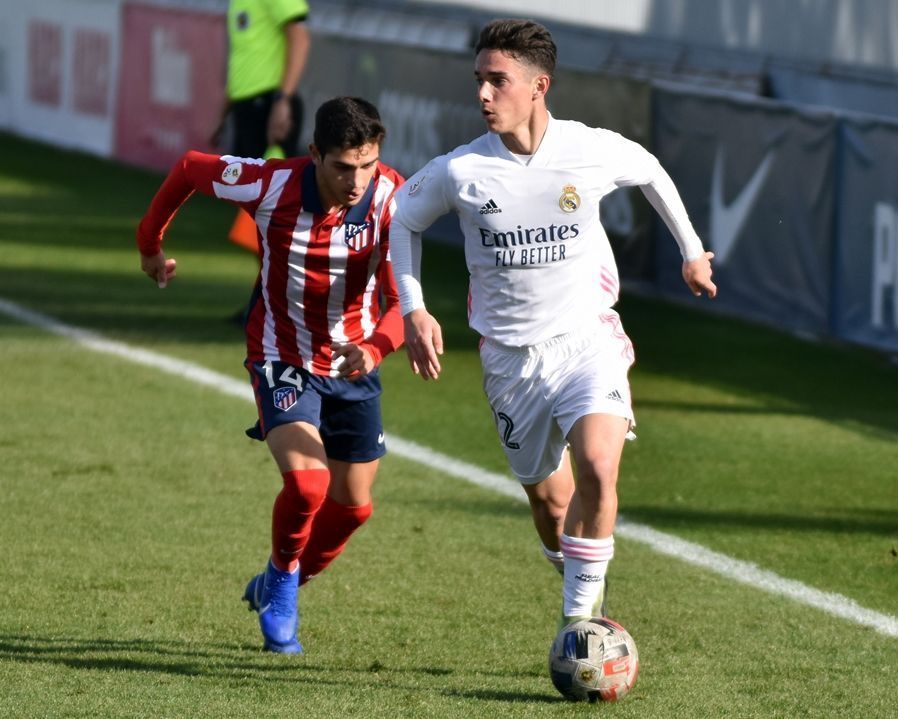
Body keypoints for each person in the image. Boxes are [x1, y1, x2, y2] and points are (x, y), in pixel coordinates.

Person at [390, 19, 717, 630]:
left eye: (498, 80)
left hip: (586, 339)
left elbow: (649, 168)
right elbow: (402, 219)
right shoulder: (461, 171)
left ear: (539, 85)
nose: (483, 94)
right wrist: (413, 307)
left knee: (598, 466)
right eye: (479, 80)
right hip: (511, 361)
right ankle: (582, 590)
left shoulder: (586, 148)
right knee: (551, 504)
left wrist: (691, 252)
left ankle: (580, 628)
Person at [136, 97, 405, 654]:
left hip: (354, 363)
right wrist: (150, 246)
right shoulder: (269, 185)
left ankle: (277, 582)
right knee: (308, 484)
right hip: (281, 354)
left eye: (367, 164)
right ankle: (283, 587)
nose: (356, 181)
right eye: (343, 167)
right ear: (315, 154)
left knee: (354, 508)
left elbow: (402, 302)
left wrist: (376, 347)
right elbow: (189, 167)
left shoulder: (392, 197)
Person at [212, 0, 312, 258]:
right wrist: (223, 116)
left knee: (274, 206)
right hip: (247, 108)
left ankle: (285, 280)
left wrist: (282, 100)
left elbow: (300, 38)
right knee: (256, 208)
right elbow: (242, 62)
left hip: (269, 106)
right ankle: (269, 281)